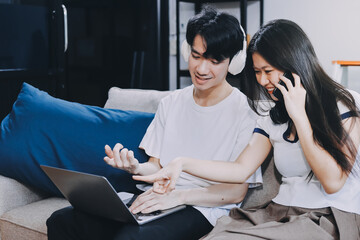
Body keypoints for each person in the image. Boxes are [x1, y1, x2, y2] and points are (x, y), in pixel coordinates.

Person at [46, 6, 262, 240]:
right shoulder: (171, 103)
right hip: (157, 197)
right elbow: (157, 166)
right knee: (62, 221)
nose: (201, 69)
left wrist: (179, 196)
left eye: (213, 61)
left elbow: (235, 191)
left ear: (234, 62)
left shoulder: (246, 112)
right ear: (186, 51)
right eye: (196, 56)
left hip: (202, 207)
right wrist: (135, 168)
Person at [135, 19, 360, 239]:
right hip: (279, 211)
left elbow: (333, 182)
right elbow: (239, 170)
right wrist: (182, 163)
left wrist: (300, 116)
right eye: (257, 72)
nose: (262, 80)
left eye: (268, 71)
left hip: (327, 216)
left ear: (293, 64)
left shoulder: (344, 103)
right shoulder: (272, 118)